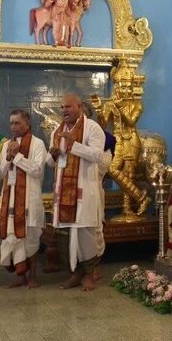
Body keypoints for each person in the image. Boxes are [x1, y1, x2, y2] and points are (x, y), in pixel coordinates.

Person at [48, 93, 105, 291]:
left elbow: (97, 156)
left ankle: (88, 275)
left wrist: (74, 145)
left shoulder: (92, 128)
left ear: (80, 107)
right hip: (63, 192)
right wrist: (53, 155)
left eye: (68, 106)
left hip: (84, 192)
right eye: (62, 107)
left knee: (85, 235)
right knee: (65, 235)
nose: (64, 110)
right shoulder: (57, 131)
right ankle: (74, 274)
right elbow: (50, 162)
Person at [0, 110, 48, 289]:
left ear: (27, 123)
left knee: (30, 239)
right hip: (10, 200)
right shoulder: (7, 144)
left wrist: (17, 156)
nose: (13, 127)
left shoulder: (37, 143)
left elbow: (37, 170)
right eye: (11, 123)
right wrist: (9, 156)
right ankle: (21, 276)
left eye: (17, 123)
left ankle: (32, 276)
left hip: (29, 200)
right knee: (13, 239)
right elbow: (1, 172)